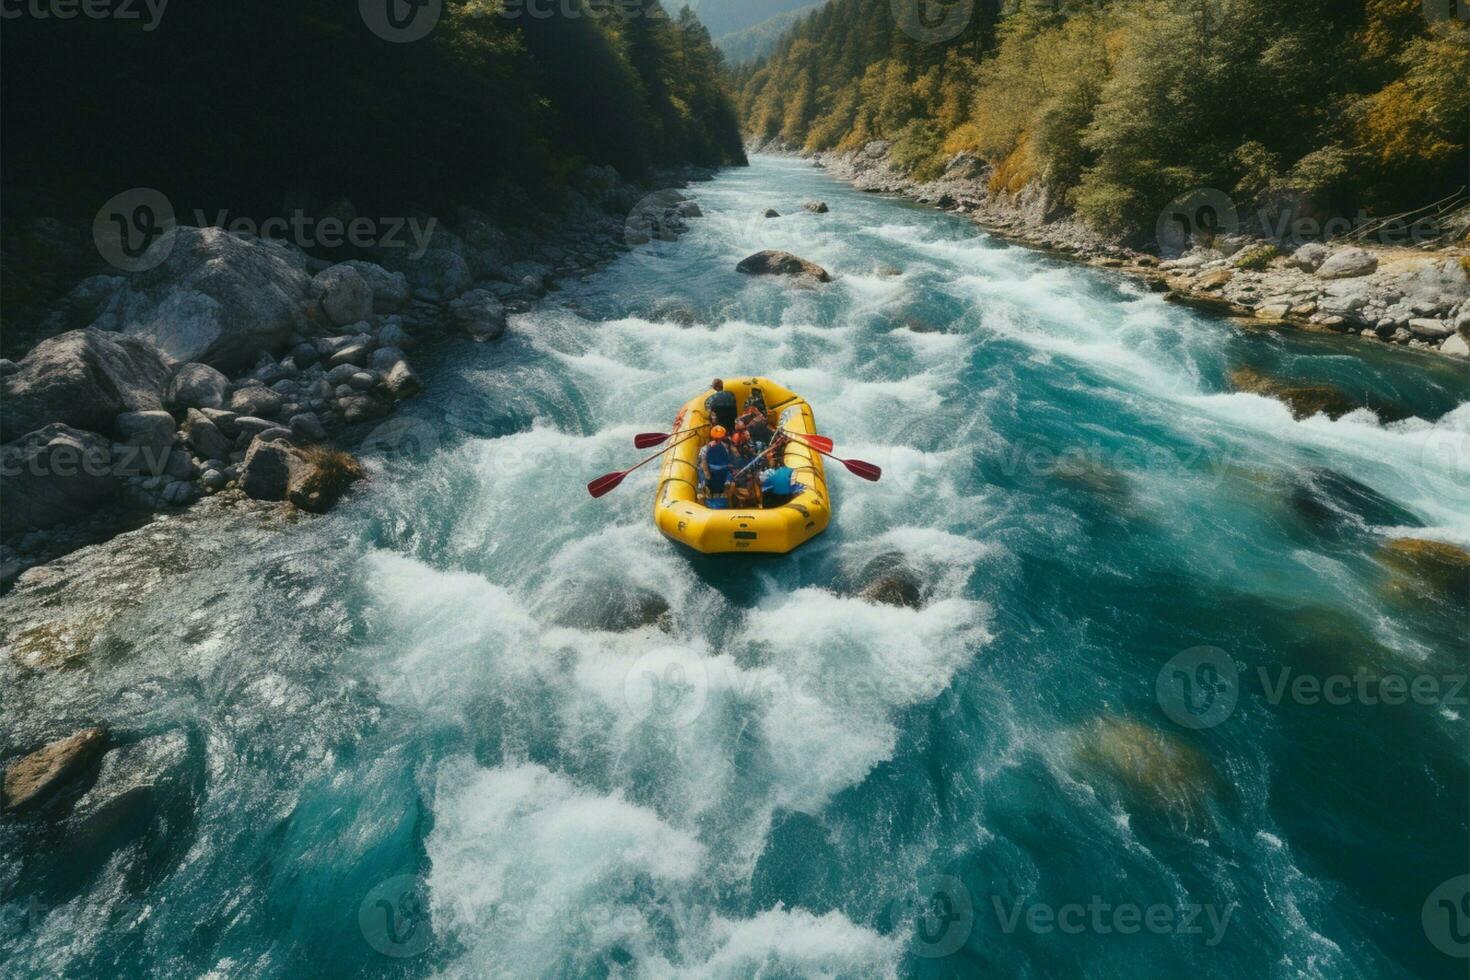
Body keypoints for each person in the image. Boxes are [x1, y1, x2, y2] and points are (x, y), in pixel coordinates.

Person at [698, 425, 735, 505]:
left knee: (701, 472)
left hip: (713, 475)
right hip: (719, 475)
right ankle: (729, 501)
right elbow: (727, 462)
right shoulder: (724, 447)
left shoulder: (704, 449)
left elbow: (702, 465)